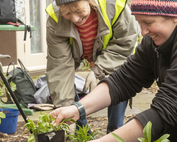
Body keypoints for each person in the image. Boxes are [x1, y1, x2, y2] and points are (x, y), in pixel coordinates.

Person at [50, 0, 177, 141]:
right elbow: (124, 80)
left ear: (174, 16)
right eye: (139, 22)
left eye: (148, 23)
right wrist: (77, 109)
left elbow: (168, 108)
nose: (143, 31)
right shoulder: (151, 43)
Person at [45, 0, 140, 133]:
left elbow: (124, 45)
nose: (75, 19)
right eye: (67, 13)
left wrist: (98, 70)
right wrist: (65, 109)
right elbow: (60, 66)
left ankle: (115, 133)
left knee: (118, 80)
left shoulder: (115, 6)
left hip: (117, 57)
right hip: (85, 53)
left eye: (78, 11)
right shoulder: (55, 17)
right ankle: (82, 133)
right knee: (64, 85)